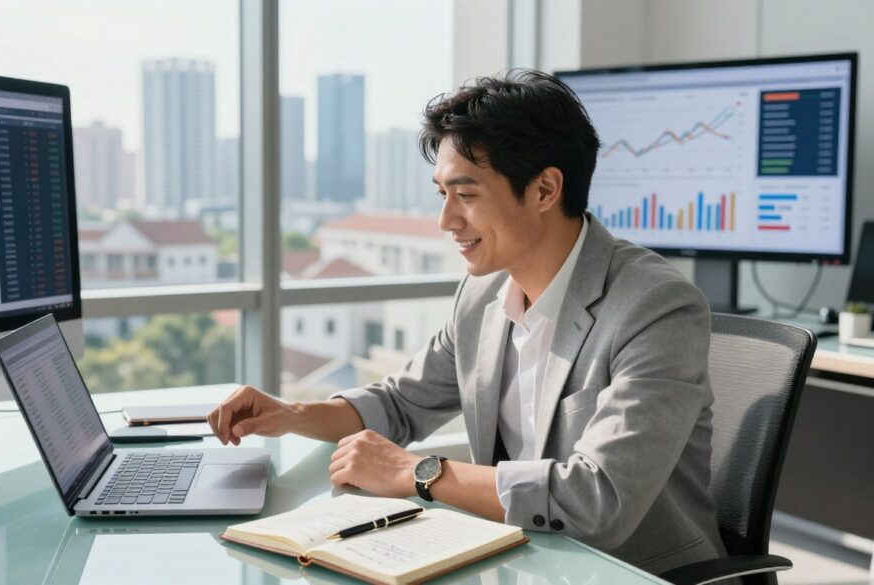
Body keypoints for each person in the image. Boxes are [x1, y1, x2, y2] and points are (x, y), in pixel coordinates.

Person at [207, 70, 726, 575]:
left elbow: (599, 498)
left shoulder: (656, 307)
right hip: (523, 561)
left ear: (545, 190)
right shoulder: (482, 294)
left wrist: (420, 473)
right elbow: (401, 403)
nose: (446, 221)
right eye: (442, 194)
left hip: (631, 572)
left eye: (467, 195)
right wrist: (292, 414)